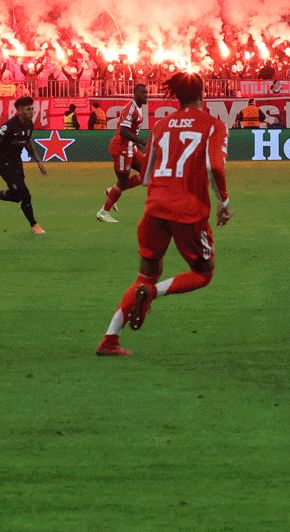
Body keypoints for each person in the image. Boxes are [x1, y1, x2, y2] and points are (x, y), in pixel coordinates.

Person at [96, 72, 230, 357]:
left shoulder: (160, 125)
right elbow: (215, 167)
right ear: (201, 95)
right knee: (203, 274)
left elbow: (144, 175)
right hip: (188, 214)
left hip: (154, 210)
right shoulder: (213, 125)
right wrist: (224, 202)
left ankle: (110, 338)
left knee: (145, 276)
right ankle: (154, 294)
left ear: (177, 97)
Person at [0, 95, 48, 235]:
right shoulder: (9, 125)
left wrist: (38, 162)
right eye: (29, 109)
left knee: (17, 197)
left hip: (17, 163)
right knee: (26, 195)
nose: (32, 111)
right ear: (20, 110)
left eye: (32, 108)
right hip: (4, 164)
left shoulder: (29, 124)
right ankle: (34, 225)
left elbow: (28, 143)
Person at [97, 83, 149, 223]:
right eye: (144, 92)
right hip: (122, 149)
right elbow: (124, 131)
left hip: (131, 147)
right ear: (136, 93)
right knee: (123, 182)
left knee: (147, 172)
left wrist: (142, 148)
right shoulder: (130, 108)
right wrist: (142, 141)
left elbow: (132, 132)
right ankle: (103, 212)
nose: (146, 95)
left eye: (147, 92)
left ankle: (112, 191)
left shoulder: (139, 108)